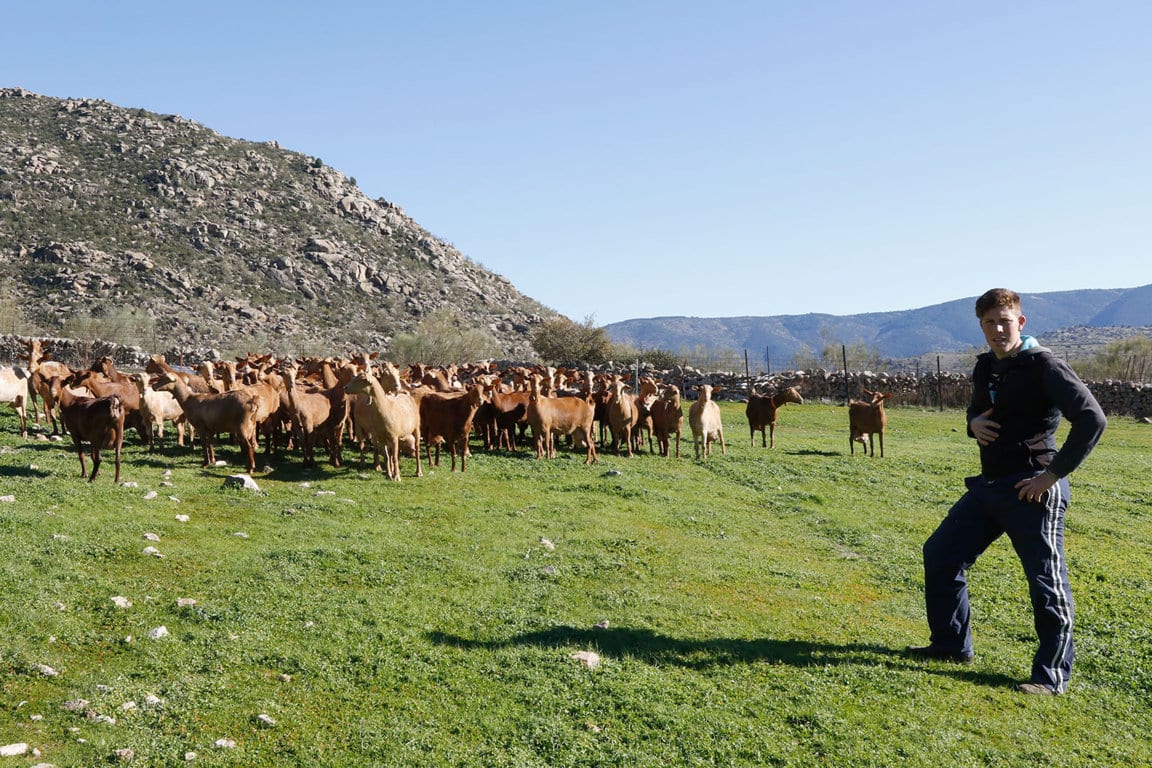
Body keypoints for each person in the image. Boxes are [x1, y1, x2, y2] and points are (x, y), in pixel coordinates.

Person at [907, 288, 1107, 695]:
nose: (998, 329)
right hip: (989, 487)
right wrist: (972, 424)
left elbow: (1092, 419)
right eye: (989, 322)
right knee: (942, 553)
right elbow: (979, 411)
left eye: (1005, 320)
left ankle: (1050, 678)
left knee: (1046, 581)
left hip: (1032, 489)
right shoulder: (987, 367)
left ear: (1021, 321)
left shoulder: (1045, 366)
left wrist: (1051, 476)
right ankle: (950, 645)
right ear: (980, 325)